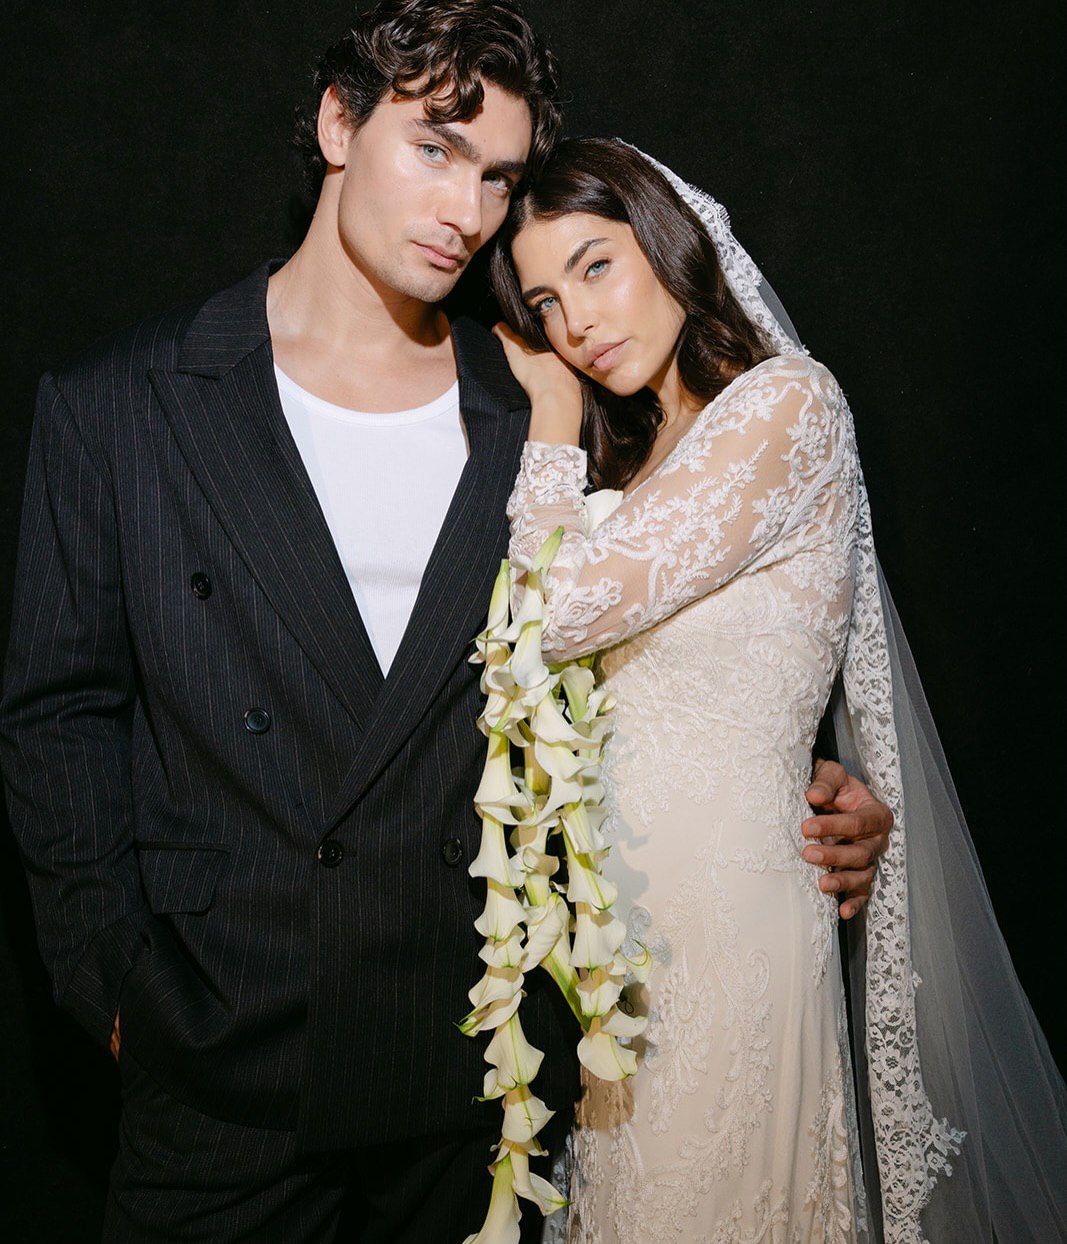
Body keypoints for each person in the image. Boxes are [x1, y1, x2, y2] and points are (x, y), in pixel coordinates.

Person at [0, 4, 892, 1241]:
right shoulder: (122, 404)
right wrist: (110, 986)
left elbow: (672, 631)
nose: (466, 211)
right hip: (222, 1068)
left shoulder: (543, 402)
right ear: (337, 124)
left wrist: (804, 781)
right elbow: (59, 714)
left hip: (476, 1088)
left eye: (497, 178)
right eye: (434, 148)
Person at [491, 137, 1067, 1243]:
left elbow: (548, 617)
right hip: (623, 949)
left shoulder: (784, 406)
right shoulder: (640, 462)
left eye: (595, 265)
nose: (575, 325)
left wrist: (550, 420)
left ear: (666, 240)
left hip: (727, 924)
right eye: (546, 302)